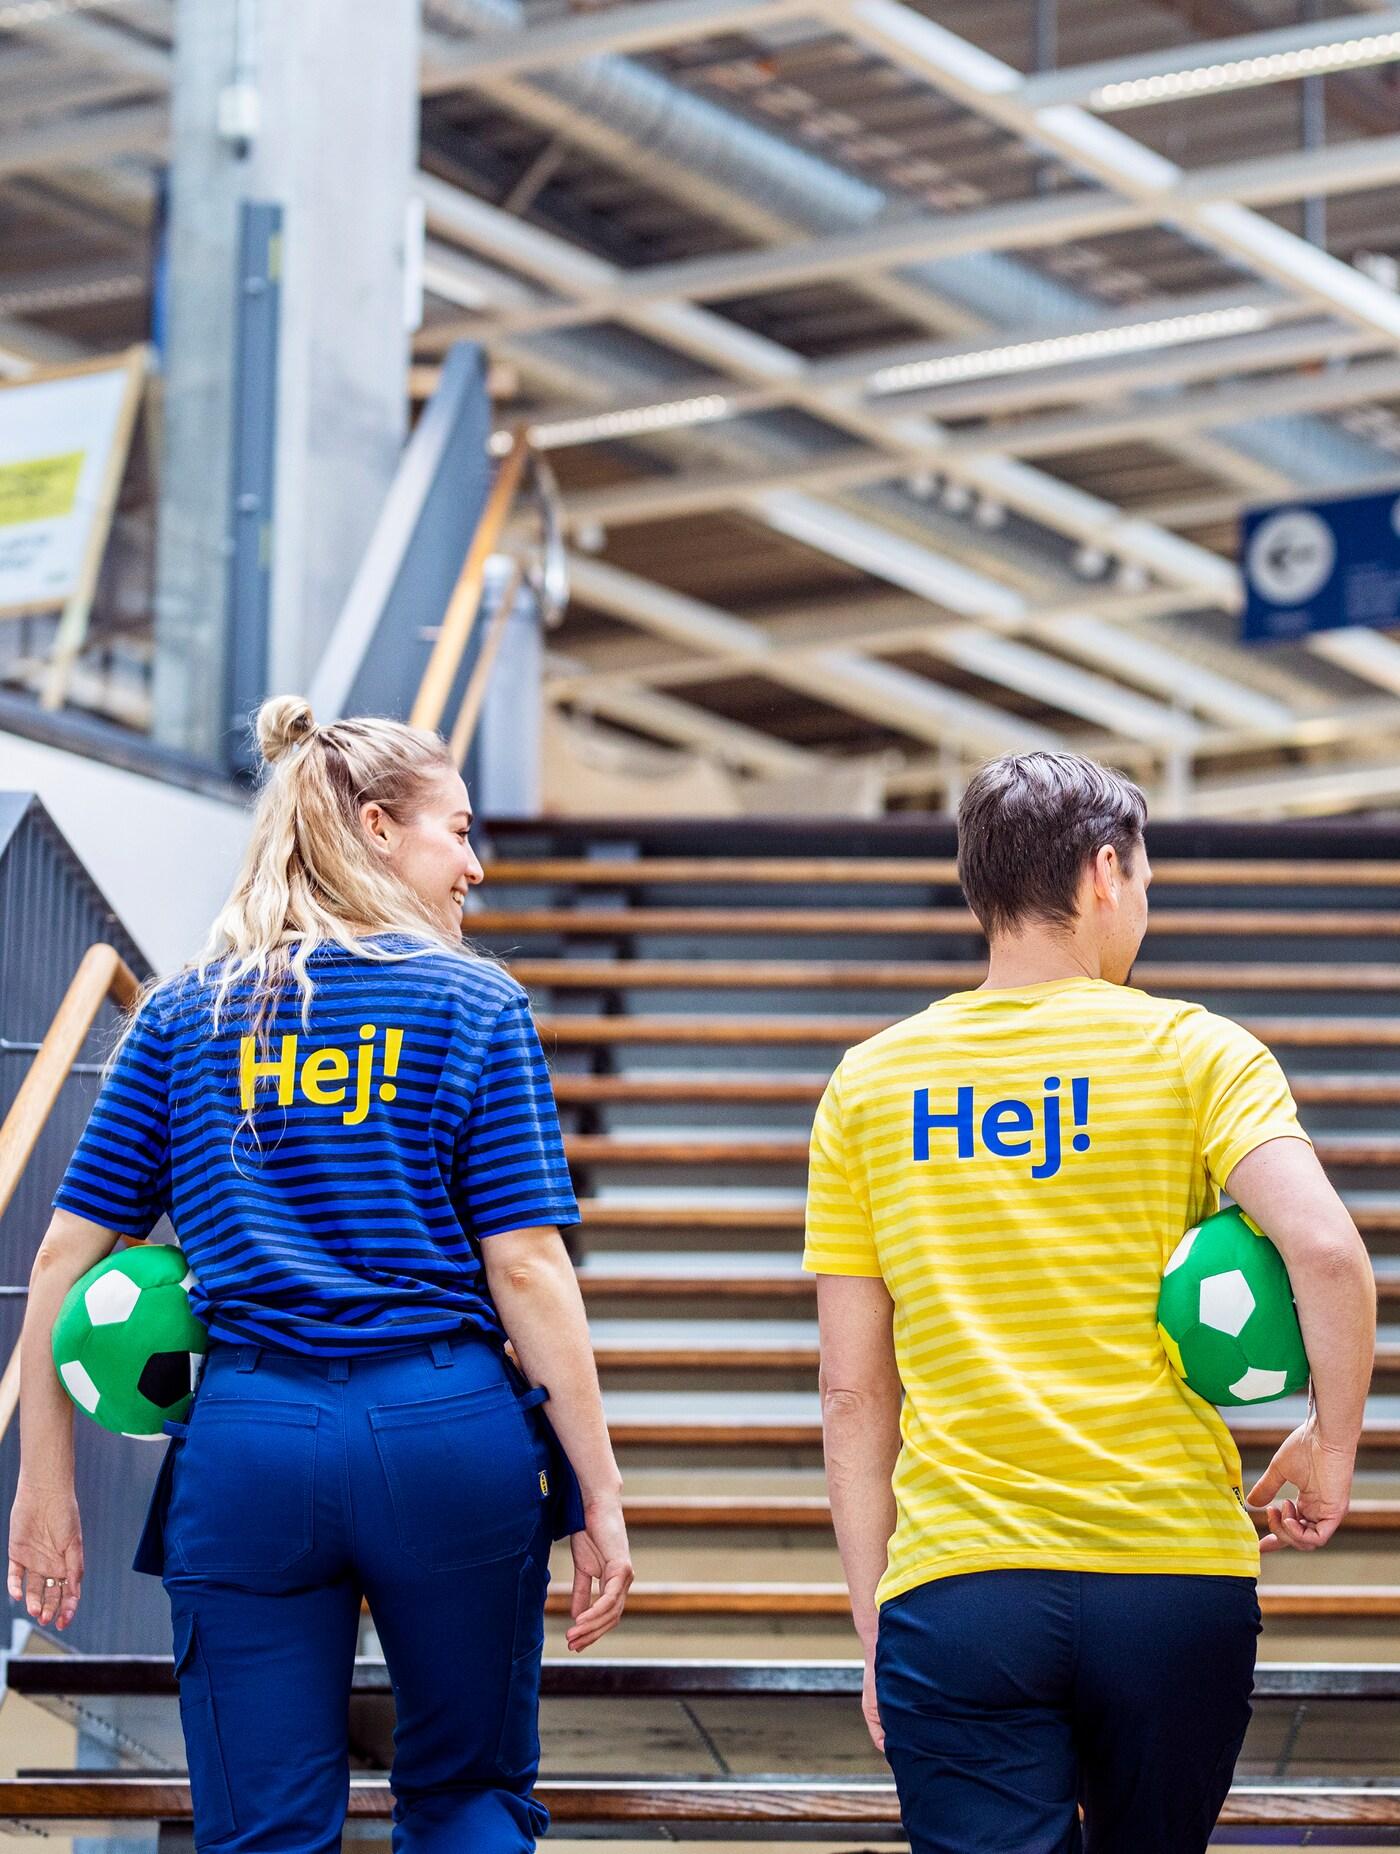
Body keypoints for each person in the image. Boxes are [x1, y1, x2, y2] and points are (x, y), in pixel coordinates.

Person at [7, 696, 632, 1854]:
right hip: (446, 1426)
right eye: (458, 832)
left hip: (248, 1440)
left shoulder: (186, 1011)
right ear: (382, 828)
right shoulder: (475, 1003)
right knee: (466, 1801)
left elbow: (61, 1257)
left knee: (261, 1827)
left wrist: (42, 1487)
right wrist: (595, 1490)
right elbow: (529, 1268)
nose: (476, 866)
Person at [805, 751, 1376, 1854]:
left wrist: (878, 1621)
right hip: (1170, 1581)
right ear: (1103, 871)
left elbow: (848, 1390)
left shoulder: (870, 1081)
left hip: (962, 1586)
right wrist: (1332, 1444)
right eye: (1145, 878)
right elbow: (1323, 1248)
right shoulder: (1195, 1050)